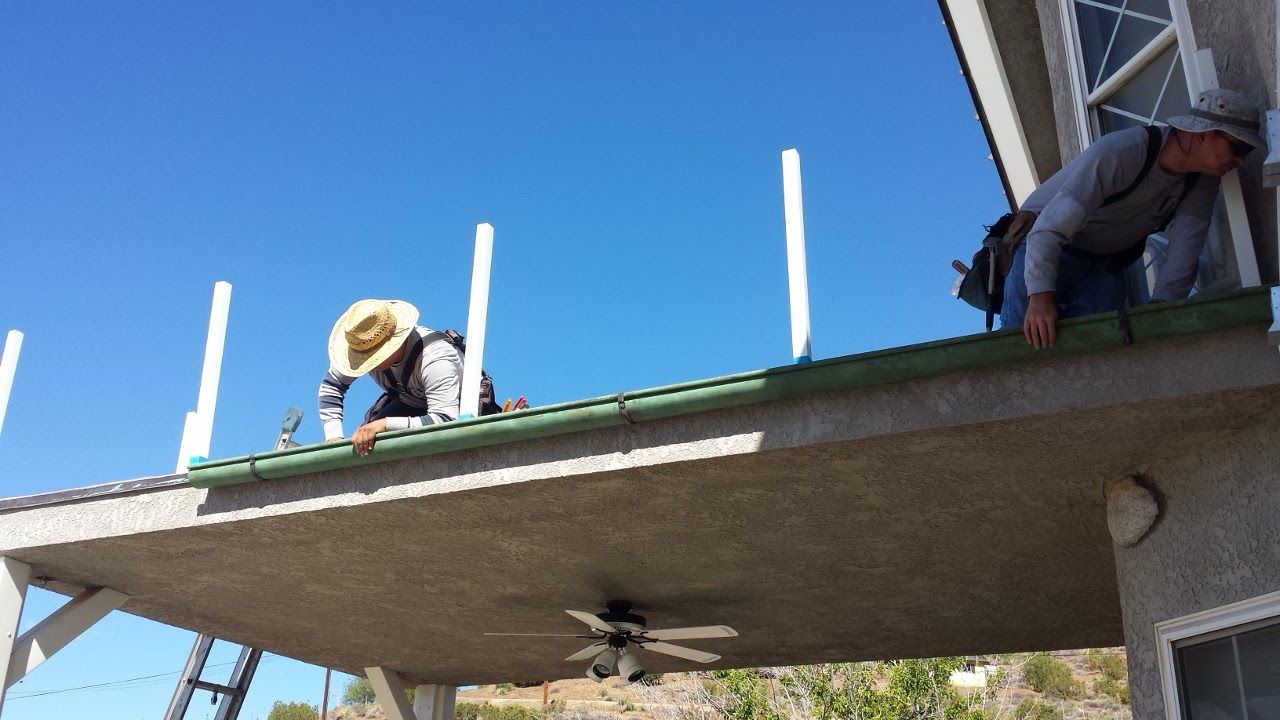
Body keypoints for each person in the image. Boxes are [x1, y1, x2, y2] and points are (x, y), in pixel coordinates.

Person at [1002, 88, 1265, 349]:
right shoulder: (1121, 152)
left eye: (1248, 153)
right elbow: (1049, 229)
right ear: (1204, 134)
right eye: (1238, 147)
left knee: (1098, 350)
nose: (1241, 160)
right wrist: (1039, 298)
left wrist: (1161, 310)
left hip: (1104, 264)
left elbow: (1185, 250)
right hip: (1045, 248)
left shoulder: (1203, 181)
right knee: (1021, 344)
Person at [318, 299, 463, 456]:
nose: (366, 363)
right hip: (411, 403)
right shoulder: (361, 343)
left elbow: (446, 420)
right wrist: (334, 438)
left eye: (371, 357)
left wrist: (385, 424)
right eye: (362, 356)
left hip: (457, 409)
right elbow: (331, 386)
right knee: (365, 443)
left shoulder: (435, 358)